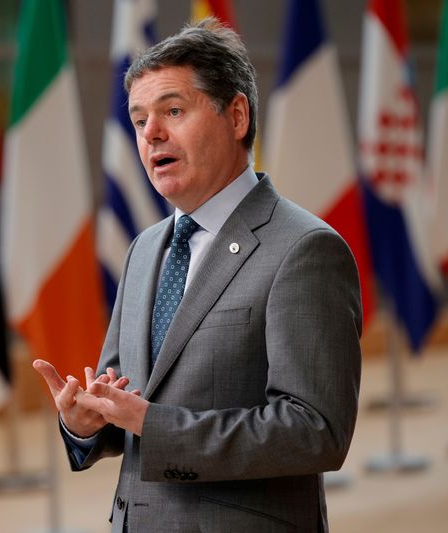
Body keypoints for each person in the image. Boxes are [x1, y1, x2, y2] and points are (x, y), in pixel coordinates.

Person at [33, 18, 362, 533]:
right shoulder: (144, 248)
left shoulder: (305, 249)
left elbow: (315, 431)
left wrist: (154, 424)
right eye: (139, 120)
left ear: (235, 115)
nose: (151, 134)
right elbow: (125, 399)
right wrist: (83, 424)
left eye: (173, 111)